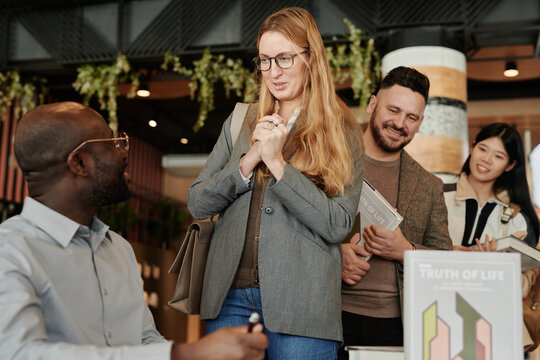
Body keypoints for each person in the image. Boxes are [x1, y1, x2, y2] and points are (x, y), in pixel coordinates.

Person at [0, 102, 268, 360]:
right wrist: (187, 354)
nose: (124, 153)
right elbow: (18, 353)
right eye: (112, 143)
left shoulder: (117, 249)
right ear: (79, 163)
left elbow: (145, 339)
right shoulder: (11, 251)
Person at [187, 7, 364, 360]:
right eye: (265, 60)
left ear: (310, 58)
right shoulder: (241, 119)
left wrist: (278, 164)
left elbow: (338, 224)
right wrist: (250, 160)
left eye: (285, 58)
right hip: (229, 300)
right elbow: (198, 202)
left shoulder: (343, 131)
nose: (274, 72)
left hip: (304, 307)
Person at [339, 66, 453, 358]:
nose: (400, 123)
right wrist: (334, 255)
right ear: (372, 104)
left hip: (399, 325)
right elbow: (293, 231)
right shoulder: (331, 161)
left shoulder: (429, 185)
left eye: (412, 117)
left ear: (420, 122)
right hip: (328, 314)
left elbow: (445, 260)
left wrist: (406, 250)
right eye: (393, 109)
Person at [444, 122, 539, 250]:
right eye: (482, 149)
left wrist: (494, 264)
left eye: (498, 156)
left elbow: (526, 268)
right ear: (472, 148)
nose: (487, 159)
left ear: (510, 165)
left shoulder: (517, 219)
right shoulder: (439, 195)